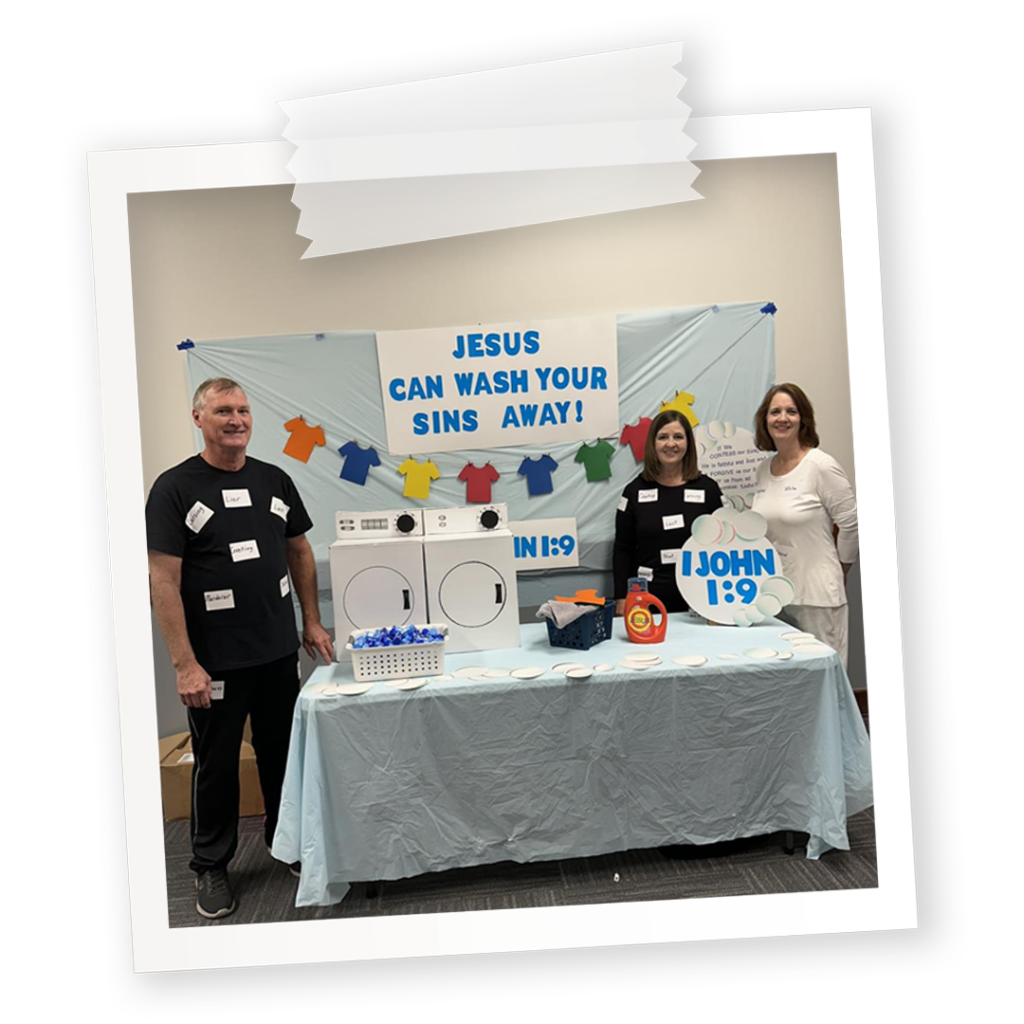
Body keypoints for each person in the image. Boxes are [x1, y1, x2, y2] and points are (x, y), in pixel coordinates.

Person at [146, 377, 334, 920]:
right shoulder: (174, 489)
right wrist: (185, 664)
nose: (236, 420)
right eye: (223, 410)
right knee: (216, 764)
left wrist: (312, 621)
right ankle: (210, 865)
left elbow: (299, 549)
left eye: (244, 411)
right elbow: (162, 580)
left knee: (282, 753)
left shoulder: (274, 480)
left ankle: (286, 842)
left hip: (276, 652)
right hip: (215, 664)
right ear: (198, 417)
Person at [750, 383, 858, 667]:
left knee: (825, 682)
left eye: (791, 411)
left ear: (803, 419)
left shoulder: (821, 465)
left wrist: (841, 567)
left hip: (817, 597)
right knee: (790, 689)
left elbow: (851, 523)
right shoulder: (763, 469)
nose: (782, 418)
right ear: (765, 420)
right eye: (775, 412)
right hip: (775, 598)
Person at [613, 410, 725, 616]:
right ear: (652, 444)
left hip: (701, 598)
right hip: (648, 599)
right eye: (663, 437)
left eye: (678, 437)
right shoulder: (634, 492)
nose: (671, 444)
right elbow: (623, 548)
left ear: (688, 443)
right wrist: (621, 597)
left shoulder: (708, 490)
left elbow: (724, 545)